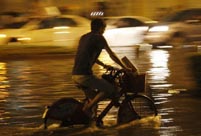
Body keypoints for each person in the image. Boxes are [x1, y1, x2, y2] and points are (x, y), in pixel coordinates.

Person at [72, 18, 127, 117]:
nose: (104, 30)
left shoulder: (84, 37)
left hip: (75, 75)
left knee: (94, 99)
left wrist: (104, 65)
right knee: (110, 89)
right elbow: (111, 54)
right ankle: (87, 108)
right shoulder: (99, 37)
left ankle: (92, 122)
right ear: (101, 28)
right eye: (104, 28)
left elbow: (87, 55)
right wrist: (124, 67)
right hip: (85, 76)